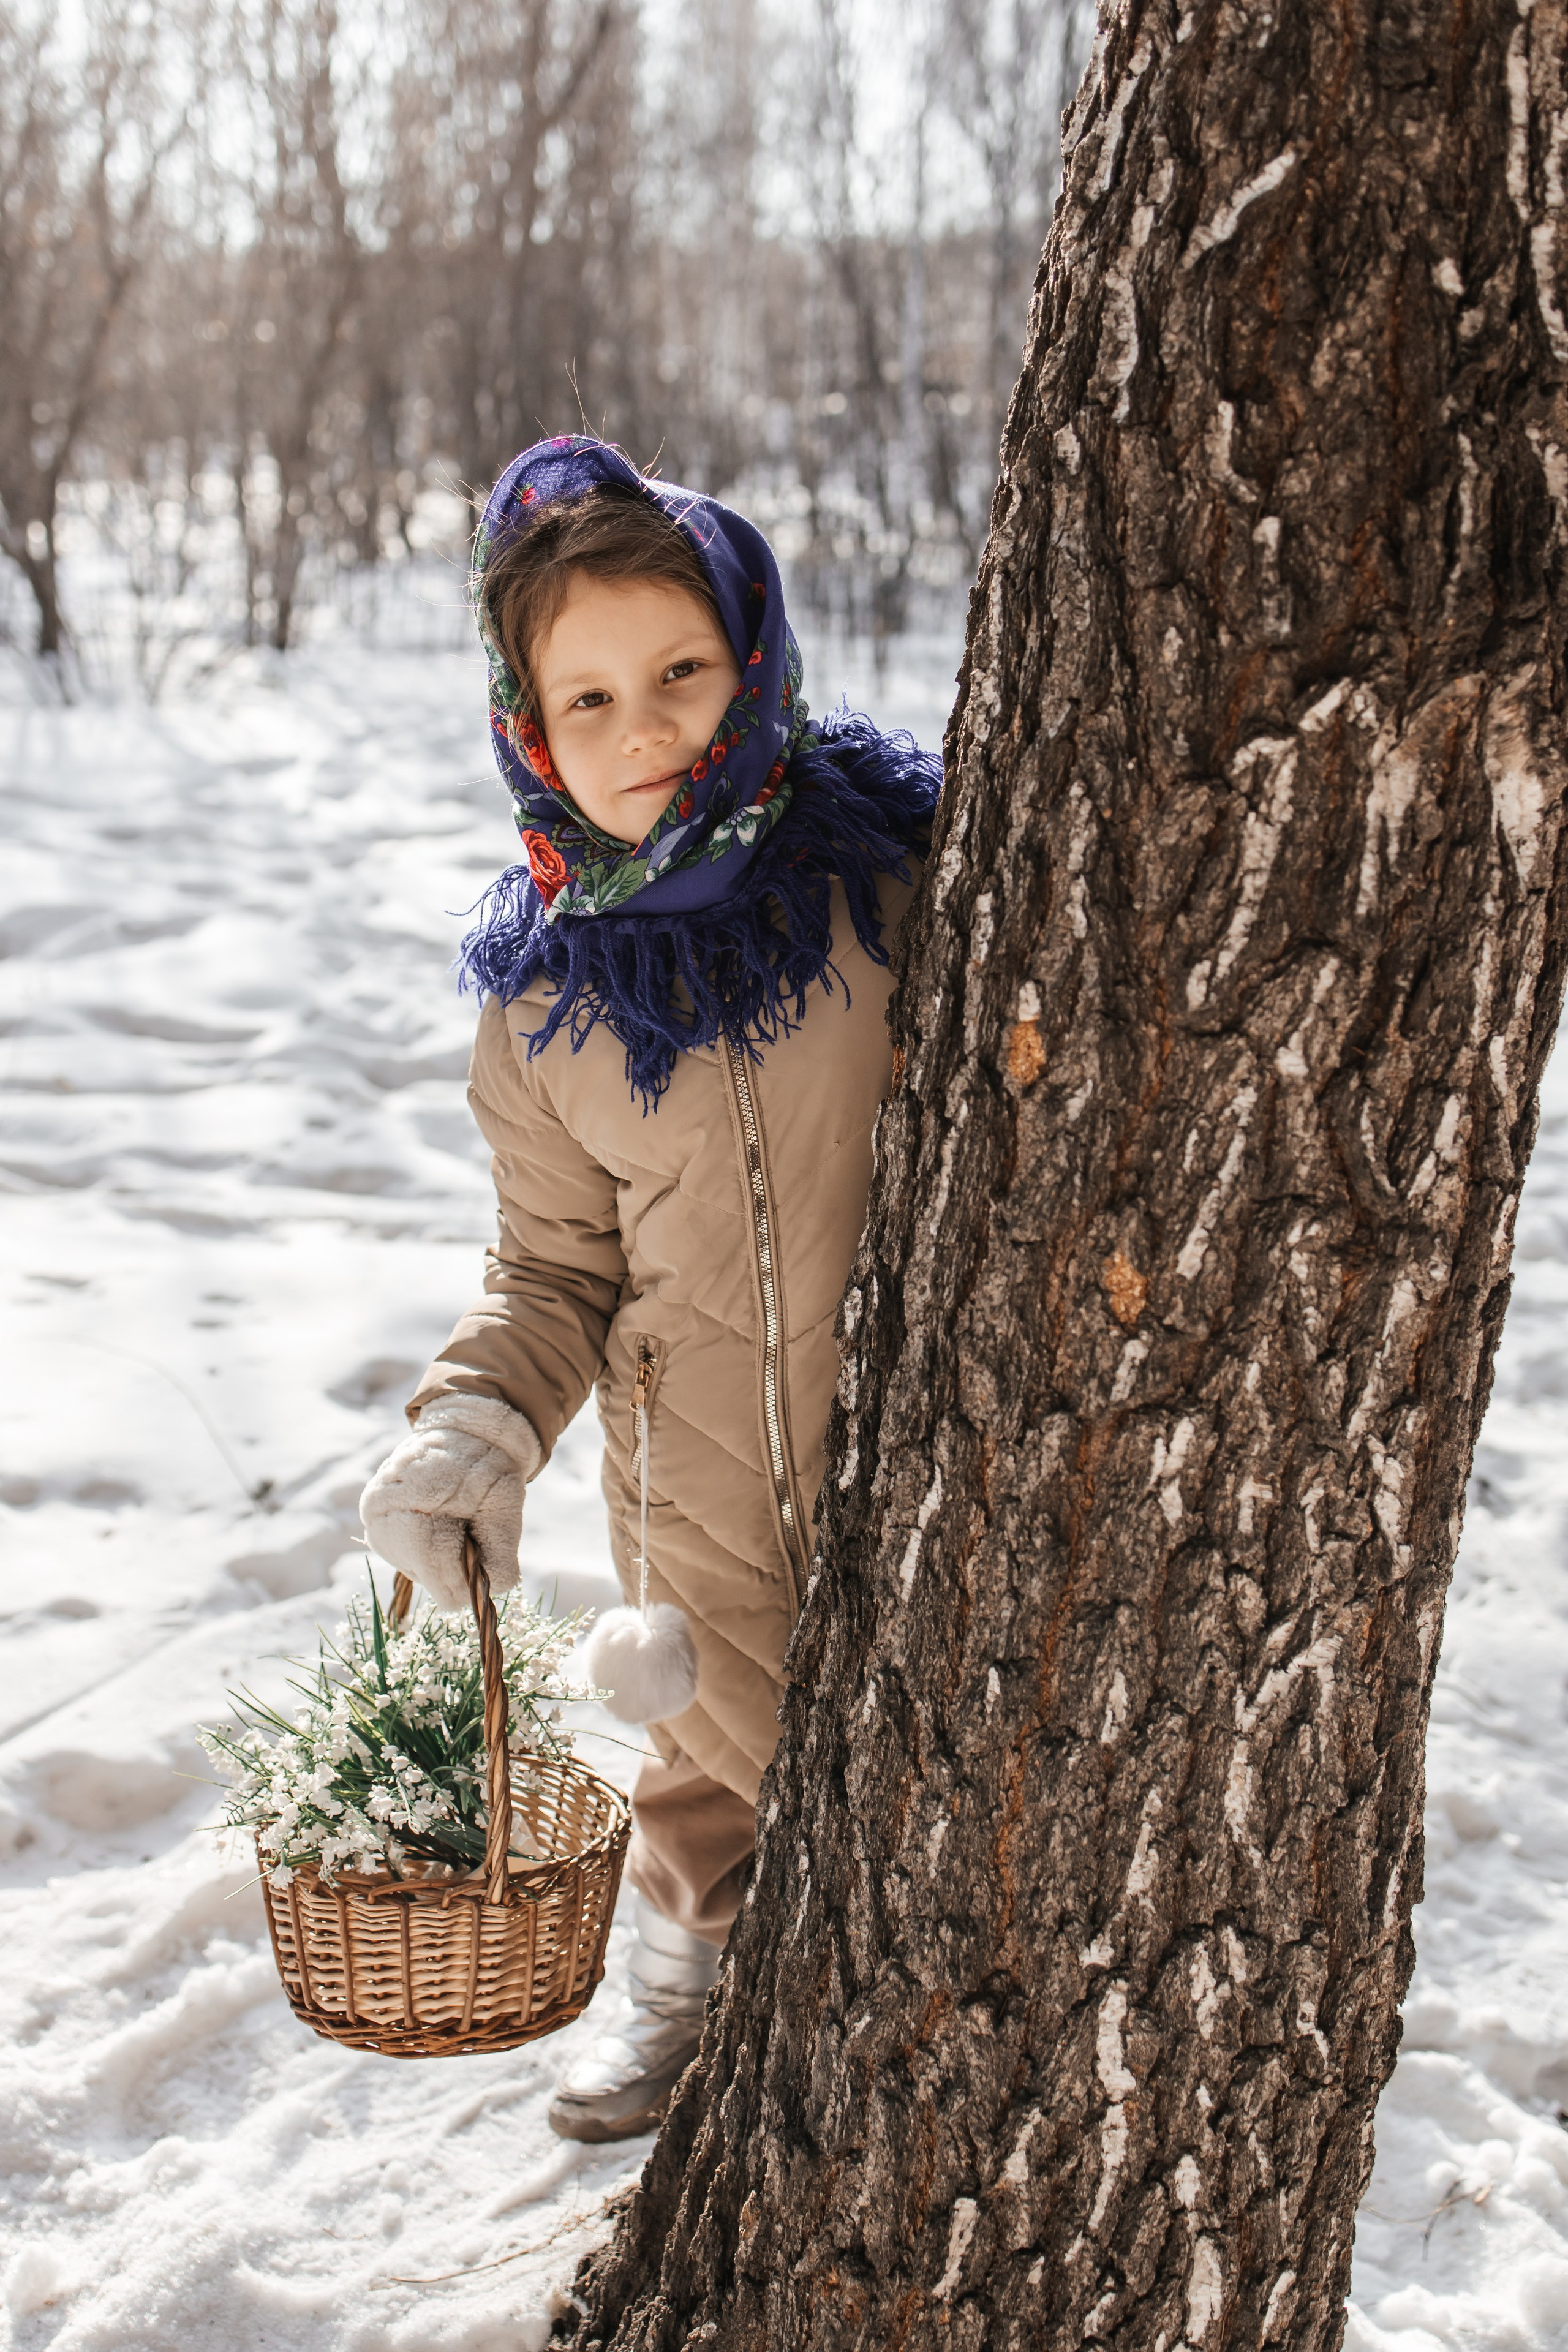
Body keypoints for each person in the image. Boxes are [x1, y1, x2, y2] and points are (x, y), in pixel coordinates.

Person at [359, 434, 938, 2140]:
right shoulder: (542, 1006)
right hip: (699, 1488)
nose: (646, 733)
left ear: (755, 658)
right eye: (589, 700)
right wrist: (478, 1421)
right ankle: (680, 1994)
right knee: (700, 1759)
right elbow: (553, 1263)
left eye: (684, 674)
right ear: (527, 728)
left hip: (928, 1444)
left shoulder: (887, 881)